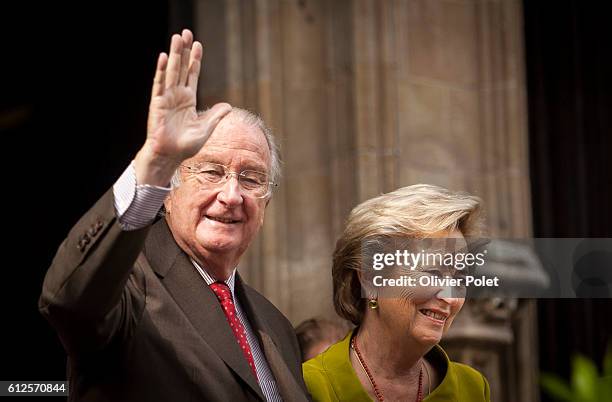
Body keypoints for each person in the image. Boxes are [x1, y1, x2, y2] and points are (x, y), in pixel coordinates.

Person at [39, 29, 309, 402]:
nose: (232, 195)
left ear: (265, 206)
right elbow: (69, 300)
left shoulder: (276, 325)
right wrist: (156, 161)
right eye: (211, 172)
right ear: (169, 192)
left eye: (251, 179)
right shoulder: (130, 284)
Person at [303, 184, 491, 401]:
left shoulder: (472, 388)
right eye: (432, 271)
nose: (450, 297)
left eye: (459, 277)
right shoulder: (312, 386)